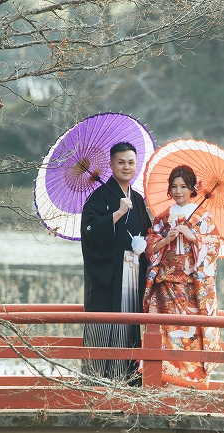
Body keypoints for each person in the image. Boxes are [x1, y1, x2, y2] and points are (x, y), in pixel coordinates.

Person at [143, 165, 222, 388]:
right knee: (165, 335)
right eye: (174, 187)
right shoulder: (162, 218)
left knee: (192, 334)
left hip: (191, 288)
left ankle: (192, 384)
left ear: (192, 189)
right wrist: (166, 240)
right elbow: (150, 248)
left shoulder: (202, 217)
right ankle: (165, 383)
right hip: (165, 286)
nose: (178, 191)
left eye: (184, 187)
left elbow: (215, 247)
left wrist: (195, 237)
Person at [80, 142, 152, 383]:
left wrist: (144, 244)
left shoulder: (138, 199)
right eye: (121, 162)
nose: (126, 167)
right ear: (111, 165)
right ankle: (96, 383)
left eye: (131, 162)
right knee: (105, 326)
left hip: (132, 271)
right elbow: (90, 232)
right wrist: (117, 213)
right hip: (108, 275)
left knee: (129, 324)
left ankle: (127, 382)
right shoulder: (99, 197)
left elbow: (148, 233)